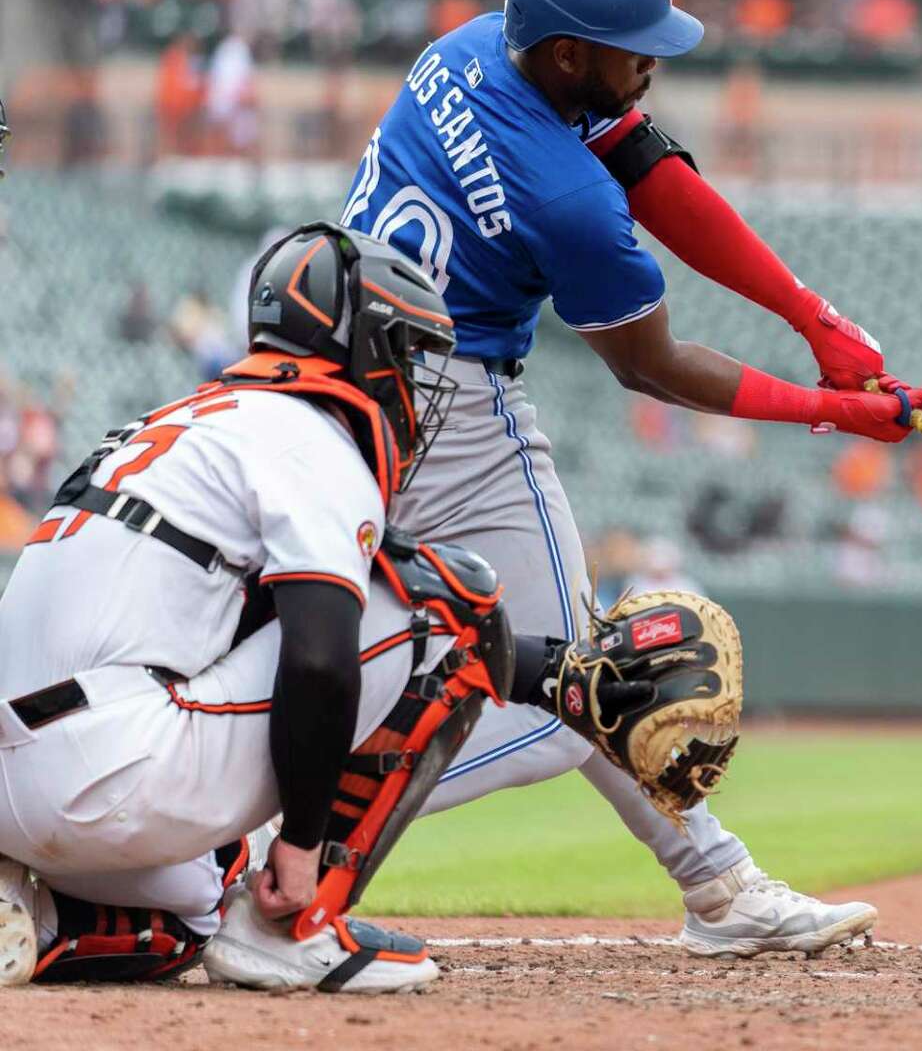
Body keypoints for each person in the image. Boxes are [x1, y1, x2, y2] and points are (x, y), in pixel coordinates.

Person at [340, 0, 922, 958]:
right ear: (569, 53)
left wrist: (811, 315)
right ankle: (287, 841)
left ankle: (718, 880)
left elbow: (654, 169)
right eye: (632, 43)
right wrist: (835, 409)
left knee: (572, 653)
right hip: (452, 408)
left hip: (341, 367)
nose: (653, 57)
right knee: (584, 693)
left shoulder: (474, 46)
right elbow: (651, 366)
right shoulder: (565, 201)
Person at [0, 224, 748, 991]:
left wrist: (547, 671)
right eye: (406, 352)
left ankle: (42, 910)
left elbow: (251, 618)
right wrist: (301, 840)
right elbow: (323, 655)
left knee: (203, 903)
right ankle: (296, 924)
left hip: (22, 782)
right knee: (445, 600)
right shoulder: (310, 435)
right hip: (112, 772)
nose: (412, 382)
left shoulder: (186, 422)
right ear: (359, 346)